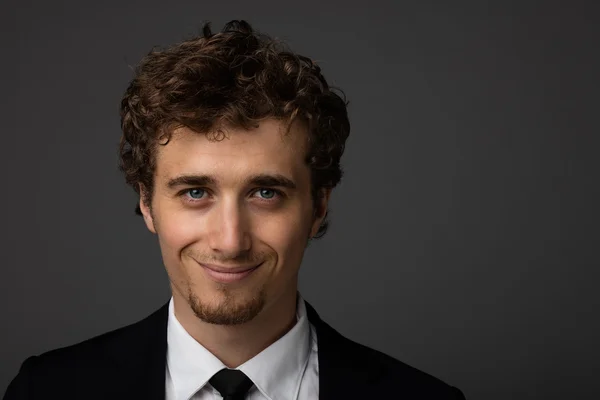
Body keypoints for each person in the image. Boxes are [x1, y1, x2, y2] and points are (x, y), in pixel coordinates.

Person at [4, 20, 465, 399]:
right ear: (147, 203)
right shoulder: (45, 391)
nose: (229, 241)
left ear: (318, 204)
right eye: (195, 193)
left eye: (265, 193)